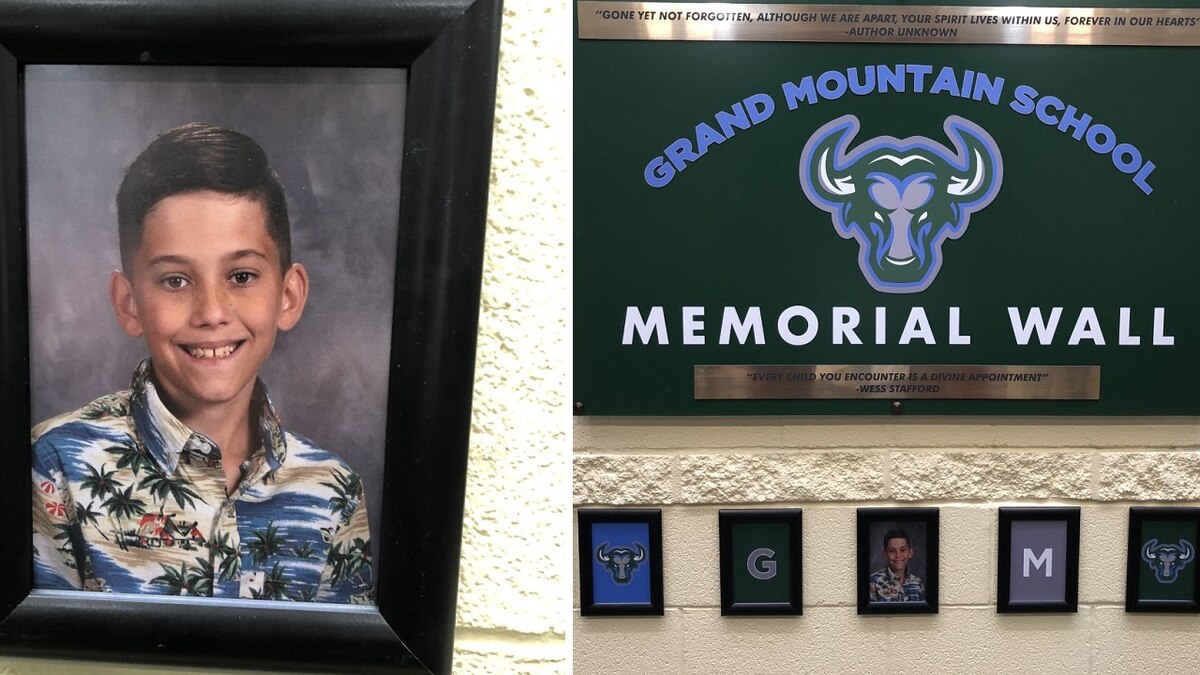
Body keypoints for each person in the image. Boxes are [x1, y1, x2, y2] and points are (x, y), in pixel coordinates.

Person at [31, 123, 373, 604]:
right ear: (129, 303)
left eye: (241, 275)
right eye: (175, 280)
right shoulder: (56, 465)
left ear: (288, 295)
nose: (212, 312)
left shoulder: (333, 490)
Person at [868, 528, 925, 601]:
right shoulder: (873, 582)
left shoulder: (917, 582)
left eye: (903, 550)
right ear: (885, 555)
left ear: (910, 552)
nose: (898, 555)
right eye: (892, 551)